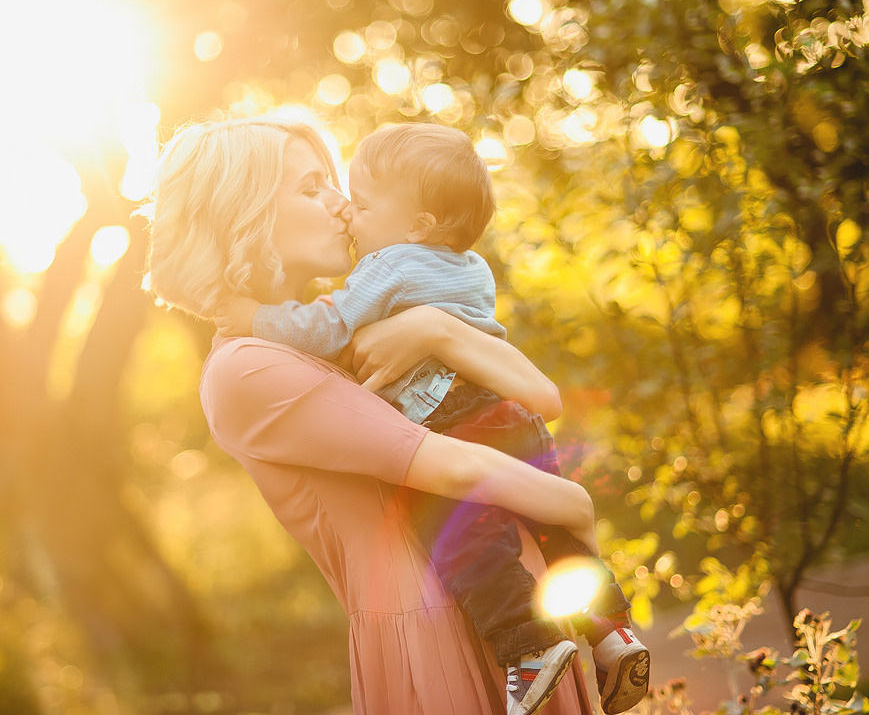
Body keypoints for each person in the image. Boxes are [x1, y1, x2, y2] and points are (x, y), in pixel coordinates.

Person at [144, 115, 596, 714]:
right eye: (312, 188)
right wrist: (575, 506)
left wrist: (432, 326)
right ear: (243, 216)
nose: (340, 206)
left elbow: (542, 398)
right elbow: (450, 468)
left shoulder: (345, 327)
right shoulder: (247, 369)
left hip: (513, 610)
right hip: (434, 625)